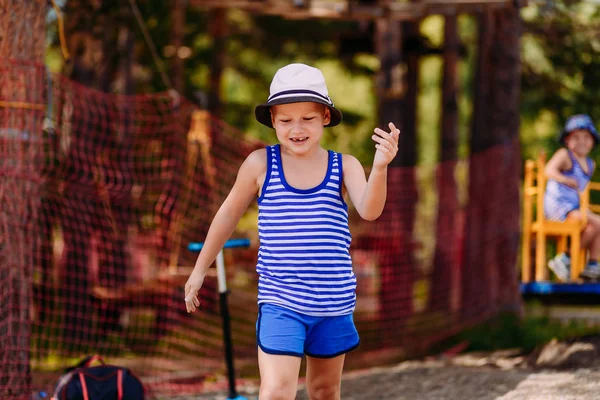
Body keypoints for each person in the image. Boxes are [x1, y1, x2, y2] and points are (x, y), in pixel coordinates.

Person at [184, 63, 399, 400]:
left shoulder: (346, 166)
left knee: (325, 390)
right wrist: (200, 269)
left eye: (308, 119)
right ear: (272, 120)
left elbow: (370, 211)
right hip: (281, 301)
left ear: (325, 117)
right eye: (285, 120)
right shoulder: (260, 164)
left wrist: (381, 167)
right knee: (276, 391)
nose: (296, 129)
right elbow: (226, 216)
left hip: (333, 303)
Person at [545, 114, 600, 282]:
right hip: (559, 208)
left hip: (575, 208)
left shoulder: (590, 164)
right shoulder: (565, 155)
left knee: (593, 228)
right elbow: (547, 171)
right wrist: (565, 179)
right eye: (576, 137)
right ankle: (566, 259)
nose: (582, 141)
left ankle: (592, 265)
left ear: (592, 141)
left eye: (586, 137)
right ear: (567, 140)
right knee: (598, 222)